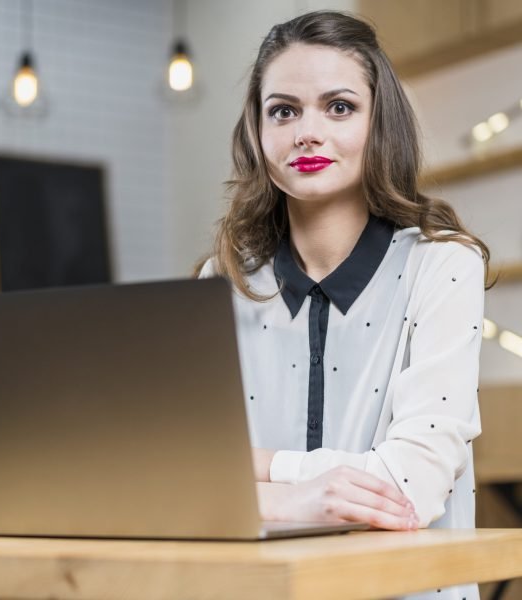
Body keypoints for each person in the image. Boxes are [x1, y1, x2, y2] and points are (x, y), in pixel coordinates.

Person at [197, 10, 489, 600]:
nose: (307, 132)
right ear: (257, 131)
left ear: (380, 123)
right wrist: (300, 494)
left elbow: (409, 485)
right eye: (283, 110)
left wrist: (266, 472)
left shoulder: (443, 264)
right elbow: (183, 484)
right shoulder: (220, 282)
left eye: (339, 107)